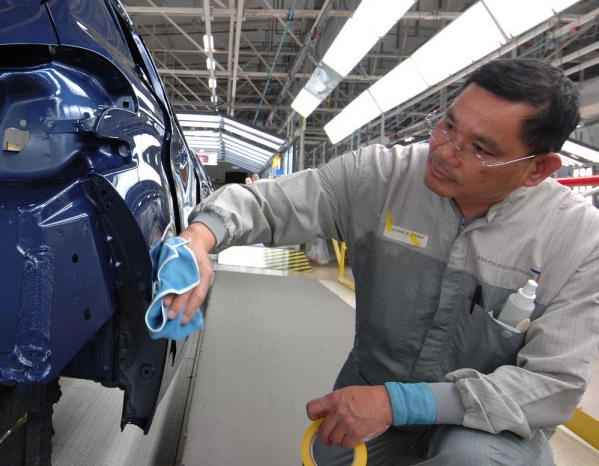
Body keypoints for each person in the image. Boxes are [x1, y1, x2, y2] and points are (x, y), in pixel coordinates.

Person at [165, 58, 599, 465]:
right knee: (328, 454)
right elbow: (268, 203)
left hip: (484, 425)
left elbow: (552, 386)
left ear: (538, 169)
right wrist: (198, 240)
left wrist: (400, 403)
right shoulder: (381, 178)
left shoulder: (577, 240)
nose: (446, 152)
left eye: (480, 149)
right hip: (366, 401)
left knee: (470, 457)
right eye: (448, 126)